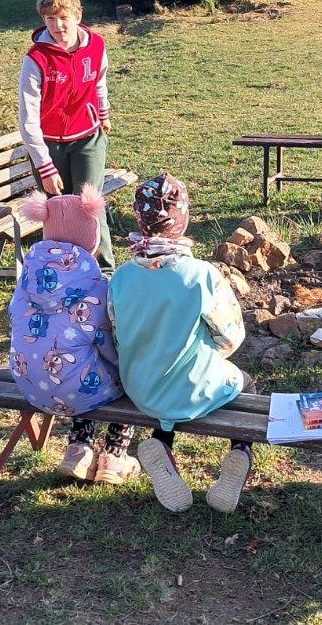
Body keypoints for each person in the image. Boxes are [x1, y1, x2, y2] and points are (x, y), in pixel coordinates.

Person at [108, 174, 253, 514]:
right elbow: (231, 335)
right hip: (194, 389)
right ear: (183, 218)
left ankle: (161, 444)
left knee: (165, 385)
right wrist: (213, 352)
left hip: (140, 388)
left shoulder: (121, 277)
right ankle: (240, 451)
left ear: (139, 218)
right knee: (245, 382)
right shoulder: (202, 275)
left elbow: (116, 333)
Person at [8, 185, 140, 485]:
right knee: (116, 375)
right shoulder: (97, 286)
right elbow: (107, 344)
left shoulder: (27, 278)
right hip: (75, 391)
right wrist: (126, 365)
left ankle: (78, 449)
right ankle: (114, 456)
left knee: (81, 365)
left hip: (29, 384)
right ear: (92, 237)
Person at [18, 0, 115, 266]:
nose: (58, 25)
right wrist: (44, 166)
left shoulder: (96, 45)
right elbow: (28, 118)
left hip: (87, 138)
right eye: (50, 19)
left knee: (90, 205)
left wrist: (103, 112)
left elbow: (99, 80)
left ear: (77, 16)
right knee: (58, 212)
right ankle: (61, 272)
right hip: (49, 145)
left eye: (64, 18)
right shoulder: (36, 59)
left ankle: (103, 271)